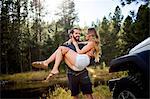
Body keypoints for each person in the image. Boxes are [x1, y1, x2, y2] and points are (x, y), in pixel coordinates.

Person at [32, 28, 101, 99]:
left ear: (90, 35)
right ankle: (50, 67)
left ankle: (50, 65)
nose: (80, 35)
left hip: (82, 67)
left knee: (61, 49)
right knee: (61, 52)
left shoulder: (88, 43)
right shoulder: (70, 45)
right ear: (71, 35)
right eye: (76, 33)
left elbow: (80, 51)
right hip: (74, 69)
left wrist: (75, 44)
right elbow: (60, 58)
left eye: (80, 34)